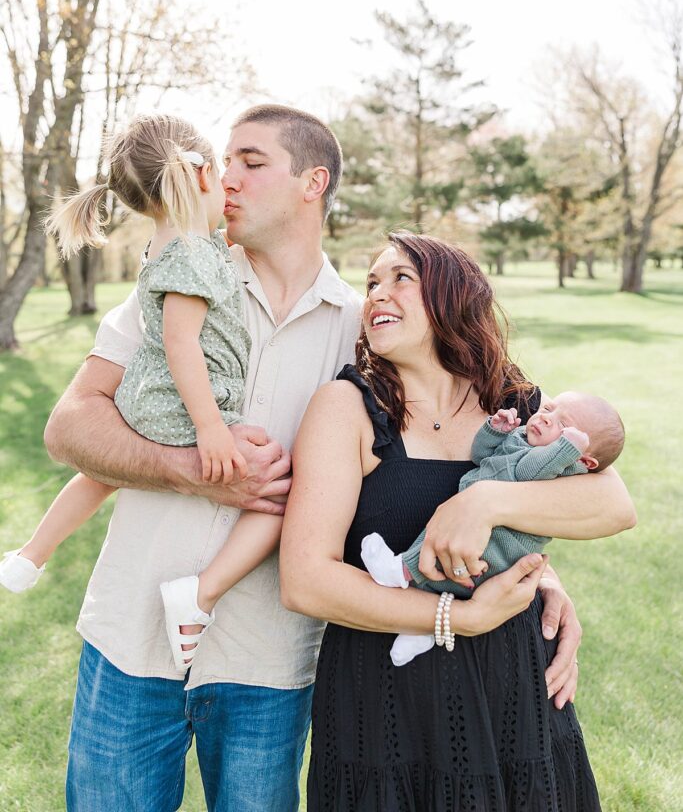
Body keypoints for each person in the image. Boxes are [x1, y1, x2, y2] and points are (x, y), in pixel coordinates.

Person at [41, 108, 616, 812]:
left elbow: (466, 460)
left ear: (312, 182)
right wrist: (196, 468)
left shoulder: (367, 334)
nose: (226, 177)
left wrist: (538, 575)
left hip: (269, 662)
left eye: (250, 161)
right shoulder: (178, 285)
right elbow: (69, 428)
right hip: (131, 639)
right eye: (225, 161)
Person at [280, 232, 637, 811]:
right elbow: (304, 580)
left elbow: (613, 505)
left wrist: (483, 503)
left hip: (513, 685)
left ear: (453, 296)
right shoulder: (346, 407)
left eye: (400, 278)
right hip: (387, 699)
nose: (376, 294)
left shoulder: (515, 401)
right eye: (371, 282)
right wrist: (457, 617)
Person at [0, 114, 279, 672]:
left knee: (98, 475)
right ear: (199, 175)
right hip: (183, 403)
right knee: (276, 486)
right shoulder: (196, 254)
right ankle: (197, 599)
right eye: (221, 170)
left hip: (143, 396)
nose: (228, 184)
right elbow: (182, 345)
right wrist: (212, 429)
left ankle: (33, 553)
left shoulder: (170, 242)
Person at [362, 390, 625, 665]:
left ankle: (398, 570)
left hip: (496, 551)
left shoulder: (562, 466)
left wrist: (565, 448)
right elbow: (481, 455)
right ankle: (422, 631)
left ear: (584, 460)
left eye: (564, 426)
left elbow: (526, 472)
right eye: (548, 409)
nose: (547, 419)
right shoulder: (526, 438)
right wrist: (495, 431)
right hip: (484, 542)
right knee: (444, 550)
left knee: (442, 544)